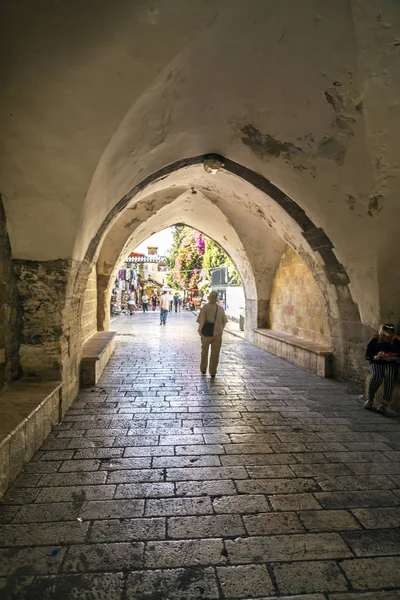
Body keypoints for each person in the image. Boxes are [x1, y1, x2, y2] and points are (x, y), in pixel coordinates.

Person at [364, 323, 400, 414]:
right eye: (385, 335)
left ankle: (384, 403)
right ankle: (370, 399)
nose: (387, 338)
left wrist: (393, 358)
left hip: (390, 362)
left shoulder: (397, 341)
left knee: (390, 376)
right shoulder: (375, 340)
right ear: (381, 333)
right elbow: (368, 355)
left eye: (389, 336)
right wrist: (376, 356)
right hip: (377, 362)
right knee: (376, 376)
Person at [197, 291, 227, 378]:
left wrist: (199, 330)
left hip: (206, 333)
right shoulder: (220, 309)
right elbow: (224, 322)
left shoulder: (205, 308)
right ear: (216, 299)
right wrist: (220, 329)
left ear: (209, 298)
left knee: (204, 351)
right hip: (218, 334)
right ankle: (213, 371)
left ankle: (203, 369)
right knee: (215, 353)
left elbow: (201, 321)